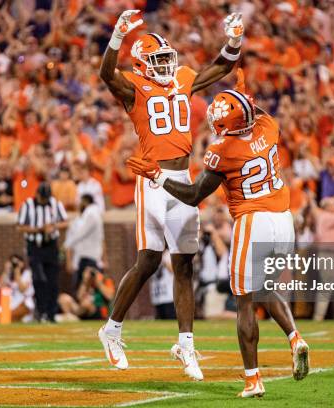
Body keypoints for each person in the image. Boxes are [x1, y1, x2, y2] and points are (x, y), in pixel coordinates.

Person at [127, 76, 309, 398]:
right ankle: (295, 337)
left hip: (254, 221)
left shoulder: (223, 150)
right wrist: (242, 97)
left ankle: (253, 380)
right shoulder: (268, 127)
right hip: (284, 220)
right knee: (264, 287)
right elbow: (256, 111)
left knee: (244, 303)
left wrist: (158, 176)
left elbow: (194, 194)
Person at [97, 9, 244, 381]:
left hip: (180, 177)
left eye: (167, 59)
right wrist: (117, 35)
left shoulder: (181, 77)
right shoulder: (133, 86)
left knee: (184, 264)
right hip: (150, 179)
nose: (165, 65)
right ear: (143, 64)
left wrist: (235, 40)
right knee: (147, 261)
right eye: (158, 60)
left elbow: (220, 68)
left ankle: (186, 344)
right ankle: (111, 330)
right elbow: (105, 74)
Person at [17, 182, 68, 322]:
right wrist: (38, 229)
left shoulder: (55, 204)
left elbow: (66, 222)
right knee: (39, 279)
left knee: (53, 280)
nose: (45, 201)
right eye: (43, 198)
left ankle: (51, 314)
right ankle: (41, 311)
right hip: (34, 246)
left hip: (51, 245)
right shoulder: (27, 204)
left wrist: (53, 226)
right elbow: (20, 227)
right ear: (37, 195)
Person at [64, 194, 105, 291]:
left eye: (80, 201)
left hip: (90, 259)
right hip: (82, 259)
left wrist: (66, 244)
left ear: (85, 202)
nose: (78, 204)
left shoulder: (91, 214)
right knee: (80, 290)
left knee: (89, 290)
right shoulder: (83, 217)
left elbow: (80, 234)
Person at [0, 254, 35, 323]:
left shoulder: (27, 273)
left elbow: (22, 289)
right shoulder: (9, 274)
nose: (15, 264)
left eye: (17, 262)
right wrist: (6, 270)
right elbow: (1, 285)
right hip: (11, 301)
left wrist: (17, 271)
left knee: (7, 317)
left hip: (24, 302)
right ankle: (19, 319)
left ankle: (24, 318)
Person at [149, 250, 176, 320]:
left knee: (171, 321)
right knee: (161, 322)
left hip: (169, 297)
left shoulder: (168, 254)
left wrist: (165, 262)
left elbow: (175, 271)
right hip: (157, 296)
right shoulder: (153, 256)